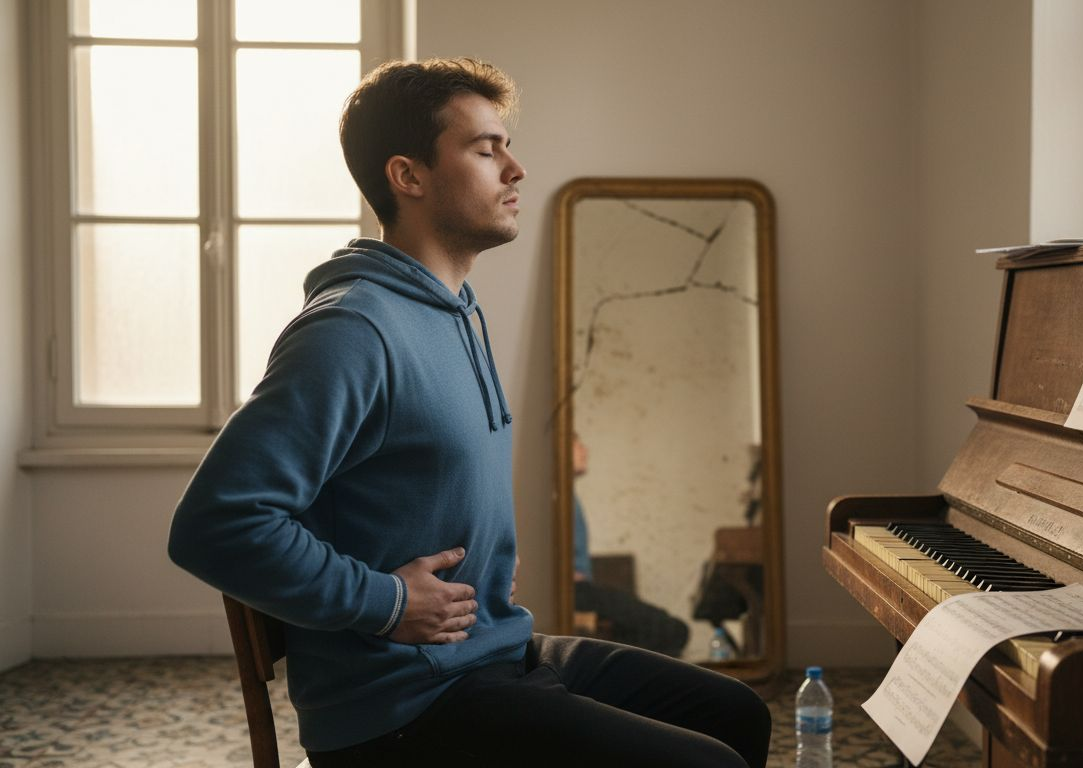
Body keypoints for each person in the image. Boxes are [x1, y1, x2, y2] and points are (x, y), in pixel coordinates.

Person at [167, 58, 770, 767]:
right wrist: (388, 602)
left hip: (491, 652)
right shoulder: (351, 330)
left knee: (738, 713)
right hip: (403, 708)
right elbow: (216, 524)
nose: (515, 169)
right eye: (486, 150)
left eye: (506, 146)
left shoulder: (455, 311)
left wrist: (484, 563)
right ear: (409, 176)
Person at [571, 435, 690, 656]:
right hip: (576, 591)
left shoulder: (568, 497)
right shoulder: (556, 498)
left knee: (667, 629)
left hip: (582, 589)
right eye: (578, 445)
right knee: (671, 630)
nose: (585, 450)